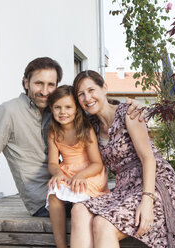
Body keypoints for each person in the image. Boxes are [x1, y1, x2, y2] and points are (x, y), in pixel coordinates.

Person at [0, 57, 145, 235]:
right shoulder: (8, 112)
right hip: (45, 200)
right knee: (93, 219)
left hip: (78, 185)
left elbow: (92, 106)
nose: (45, 91)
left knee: (104, 218)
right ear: (26, 82)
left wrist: (127, 106)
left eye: (51, 84)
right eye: (39, 83)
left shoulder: (55, 111)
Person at [70, 70, 175, 248]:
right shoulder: (91, 125)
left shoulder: (128, 114)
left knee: (102, 224)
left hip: (154, 182)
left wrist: (147, 202)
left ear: (104, 88)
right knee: (78, 209)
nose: (87, 97)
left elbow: (148, 159)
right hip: (125, 188)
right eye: (81, 94)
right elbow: (61, 114)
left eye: (91, 90)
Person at [46, 85, 109, 248]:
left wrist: (82, 175)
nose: (62, 112)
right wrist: (57, 173)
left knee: (78, 201)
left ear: (76, 109)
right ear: (51, 109)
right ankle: (61, 245)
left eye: (68, 107)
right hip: (66, 170)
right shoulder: (53, 131)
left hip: (89, 172)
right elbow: (53, 163)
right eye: (57, 107)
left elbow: (97, 163)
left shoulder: (85, 129)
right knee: (53, 196)